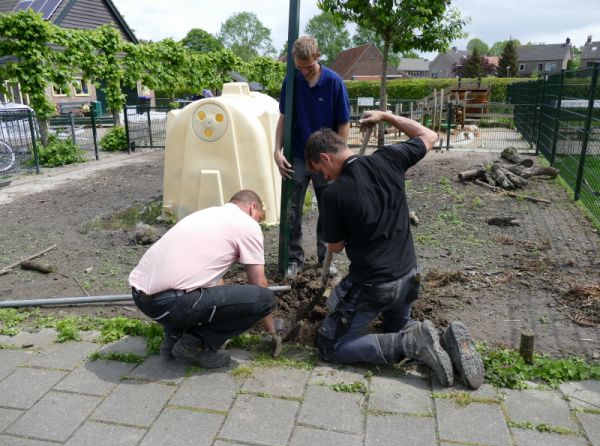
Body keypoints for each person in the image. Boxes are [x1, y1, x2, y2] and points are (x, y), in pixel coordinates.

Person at [304, 111, 484, 389]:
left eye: (320, 170)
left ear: (326, 158)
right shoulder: (388, 158)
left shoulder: (334, 194)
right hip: (410, 277)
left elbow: (336, 247)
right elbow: (429, 136)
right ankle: (443, 339)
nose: (323, 176)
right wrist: (388, 117)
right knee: (394, 327)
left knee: (331, 345)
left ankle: (410, 343)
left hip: (375, 286)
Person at [129, 190, 279, 368]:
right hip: (171, 305)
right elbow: (259, 284)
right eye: (259, 218)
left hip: (142, 299)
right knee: (265, 299)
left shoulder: (206, 215)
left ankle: (171, 343)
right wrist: (272, 331)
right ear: (253, 208)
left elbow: (213, 280)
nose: (257, 223)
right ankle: (195, 345)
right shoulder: (247, 224)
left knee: (191, 288)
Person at [274, 35, 351, 279]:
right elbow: (284, 118)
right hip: (297, 155)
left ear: (318, 57)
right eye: (300, 67)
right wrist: (276, 150)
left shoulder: (334, 82)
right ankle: (294, 259)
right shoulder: (292, 81)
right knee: (292, 209)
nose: (304, 72)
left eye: (308, 67)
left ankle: (324, 257)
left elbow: (344, 123)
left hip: (324, 160)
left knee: (328, 208)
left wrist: (338, 158)